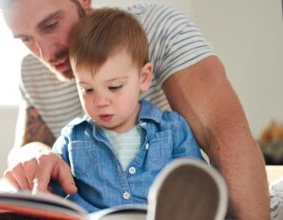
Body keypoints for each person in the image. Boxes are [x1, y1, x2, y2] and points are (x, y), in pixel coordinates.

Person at [0, 0, 269, 219]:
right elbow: (24, 150)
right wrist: (40, 157)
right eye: (24, 39)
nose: (44, 53)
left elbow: (224, 135)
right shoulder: (30, 72)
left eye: (51, 24)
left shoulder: (159, 29)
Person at [48, 7, 205, 212]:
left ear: (144, 78)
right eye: (87, 89)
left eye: (114, 87)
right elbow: (50, 199)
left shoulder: (172, 130)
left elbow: (198, 187)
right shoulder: (72, 137)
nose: (101, 102)